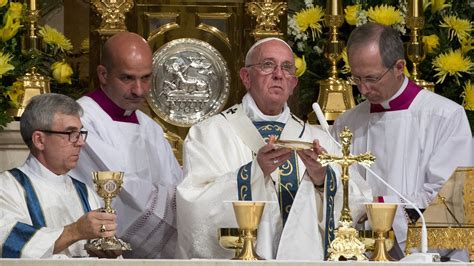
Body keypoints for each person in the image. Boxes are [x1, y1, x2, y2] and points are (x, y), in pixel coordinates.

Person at [176, 37, 372, 260]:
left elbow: (359, 204)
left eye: (287, 68)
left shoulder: (318, 139)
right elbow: (193, 206)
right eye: (268, 65)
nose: (278, 74)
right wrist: (253, 173)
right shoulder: (209, 134)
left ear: (293, 84)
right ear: (246, 77)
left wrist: (322, 180)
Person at [332, 22, 473, 258]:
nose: (363, 89)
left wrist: (380, 208)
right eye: (356, 78)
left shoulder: (445, 117)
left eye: (371, 78)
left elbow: (451, 199)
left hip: (425, 256)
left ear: (399, 67)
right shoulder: (348, 123)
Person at [70, 32, 183, 259]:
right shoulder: (80, 119)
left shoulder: (149, 126)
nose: (139, 90)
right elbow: (121, 188)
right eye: (127, 78)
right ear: (103, 74)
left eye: (146, 78)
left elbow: (175, 183)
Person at [0, 93, 117, 258]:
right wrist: (75, 231)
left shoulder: (85, 192)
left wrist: (107, 252)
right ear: (39, 140)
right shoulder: (7, 188)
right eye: (70, 133)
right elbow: (8, 243)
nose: (81, 142)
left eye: (80, 133)